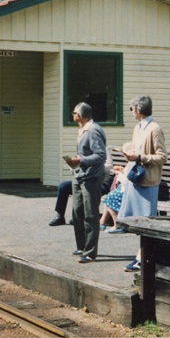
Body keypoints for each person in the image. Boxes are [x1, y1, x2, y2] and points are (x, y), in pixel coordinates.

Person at [118, 95, 167, 272]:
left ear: (138, 110)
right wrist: (127, 149)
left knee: (147, 220)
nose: (131, 112)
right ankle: (142, 256)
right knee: (138, 221)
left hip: (148, 181)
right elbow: (136, 147)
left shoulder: (155, 129)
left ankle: (143, 257)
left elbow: (162, 157)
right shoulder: (138, 128)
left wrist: (139, 157)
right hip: (136, 179)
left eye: (131, 109)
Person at [63, 102, 107, 263]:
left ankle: (90, 251)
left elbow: (101, 156)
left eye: (74, 112)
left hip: (91, 177)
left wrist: (80, 160)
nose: (72, 115)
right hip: (79, 175)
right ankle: (81, 246)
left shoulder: (93, 130)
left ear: (80, 115)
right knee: (77, 211)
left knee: (90, 213)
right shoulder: (82, 129)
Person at [49, 157, 114, 227]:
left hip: (100, 182)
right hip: (83, 180)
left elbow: (109, 167)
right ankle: (60, 215)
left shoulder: (102, 150)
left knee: (89, 188)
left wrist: (90, 166)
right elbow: (73, 170)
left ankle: (81, 217)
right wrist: (73, 166)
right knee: (63, 186)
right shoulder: (81, 151)